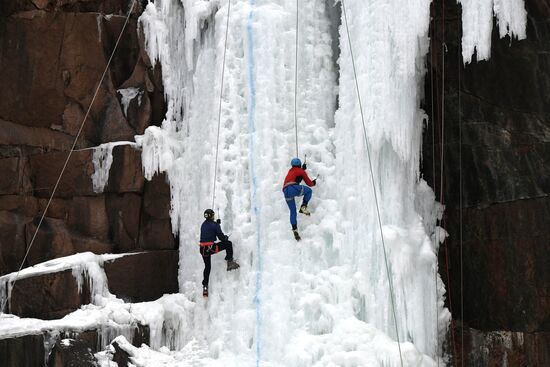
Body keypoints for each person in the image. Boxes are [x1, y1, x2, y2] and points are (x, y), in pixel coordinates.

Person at [199, 209, 240, 297]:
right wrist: (224, 235)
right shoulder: (215, 225)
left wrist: (216, 224)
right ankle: (230, 262)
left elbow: (209, 231)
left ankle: (205, 286)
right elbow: (221, 238)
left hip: (203, 250)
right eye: (213, 215)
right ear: (211, 216)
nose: (214, 216)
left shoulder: (203, 224)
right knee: (228, 244)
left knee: (207, 267)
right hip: (211, 248)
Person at [282, 157, 317, 241]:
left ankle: (294, 229)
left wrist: (302, 170)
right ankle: (303, 207)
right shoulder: (301, 171)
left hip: (285, 191)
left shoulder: (290, 171)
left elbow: (296, 174)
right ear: (299, 164)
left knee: (293, 211)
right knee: (309, 191)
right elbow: (309, 183)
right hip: (292, 188)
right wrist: (313, 182)